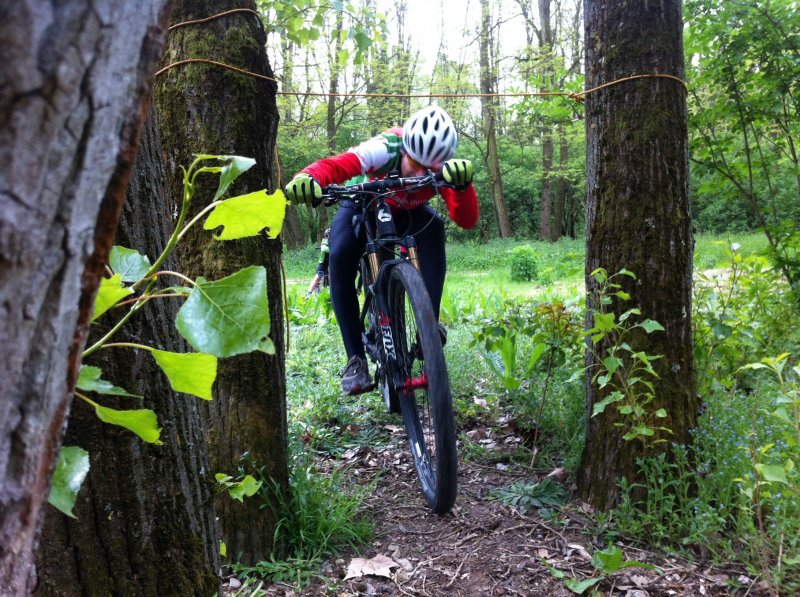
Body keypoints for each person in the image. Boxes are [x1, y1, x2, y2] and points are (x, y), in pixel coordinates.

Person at [285, 105, 478, 395]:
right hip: (364, 202)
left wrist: (463, 187)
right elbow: (337, 165)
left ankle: (428, 327)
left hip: (407, 213)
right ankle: (355, 360)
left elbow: (466, 220)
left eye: (430, 169)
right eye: (415, 163)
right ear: (405, 151)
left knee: (434, 229)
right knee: (339, 255)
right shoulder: (386, 147)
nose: (421, 174)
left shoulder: (444, 165)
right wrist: (308, 178)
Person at [305, 228, 330, 296]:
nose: (329, 236)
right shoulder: (324, 241)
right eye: (328, 235)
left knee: (333, 277)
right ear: (326, 236)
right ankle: (309, 294)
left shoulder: (335, 241)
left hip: (332, 262)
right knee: (318, 277)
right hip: (323, 262)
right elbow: (324, 249)